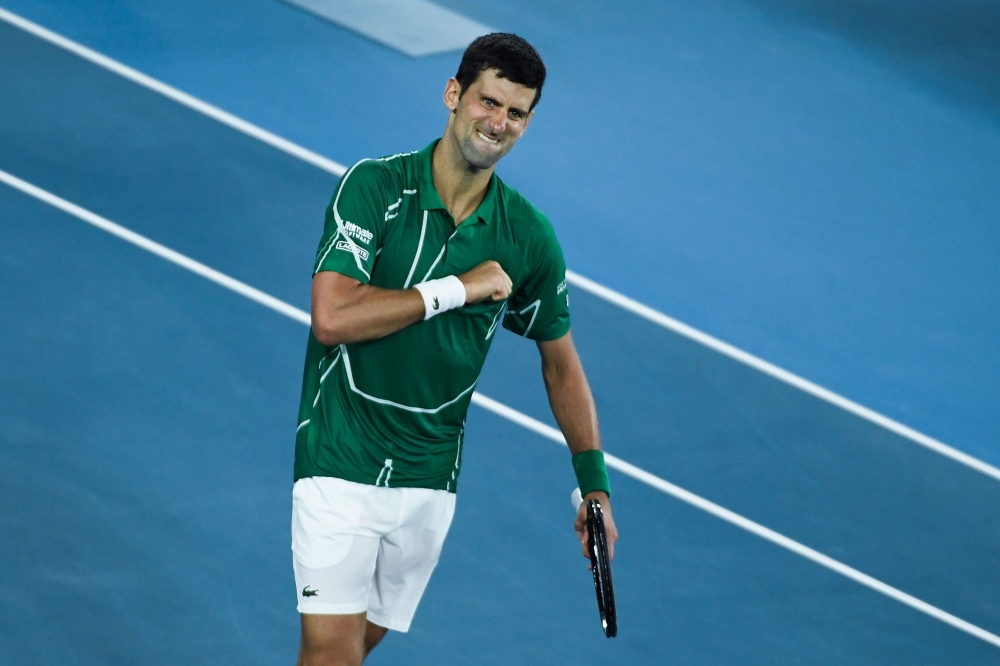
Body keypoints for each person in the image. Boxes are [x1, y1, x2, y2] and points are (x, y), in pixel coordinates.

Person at [291, 32, 618, 665]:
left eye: (516, 113)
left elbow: (560, 362)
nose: (497, 123)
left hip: (429, 478)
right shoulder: (375, 188)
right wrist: (456, 290)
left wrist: (593, 486)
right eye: (488, 102)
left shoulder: (529, 237)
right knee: (331, 652)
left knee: (356, 647)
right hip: (339, 450)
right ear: (454, 94)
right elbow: (331, 317)